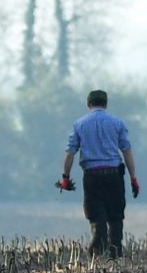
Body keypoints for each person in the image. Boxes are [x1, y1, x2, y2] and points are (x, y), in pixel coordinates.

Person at [57, 89, 139, 258]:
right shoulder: (117, 123)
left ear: (89, 104)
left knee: (96, 216)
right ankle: (115, 254)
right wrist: (133, 178)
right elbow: (127, 151)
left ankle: (97, 253)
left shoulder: (79, 124)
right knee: (116, 217)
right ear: (106, 103)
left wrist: (65, 178)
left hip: (92, 176)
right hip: (114, 174)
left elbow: (70, 152)